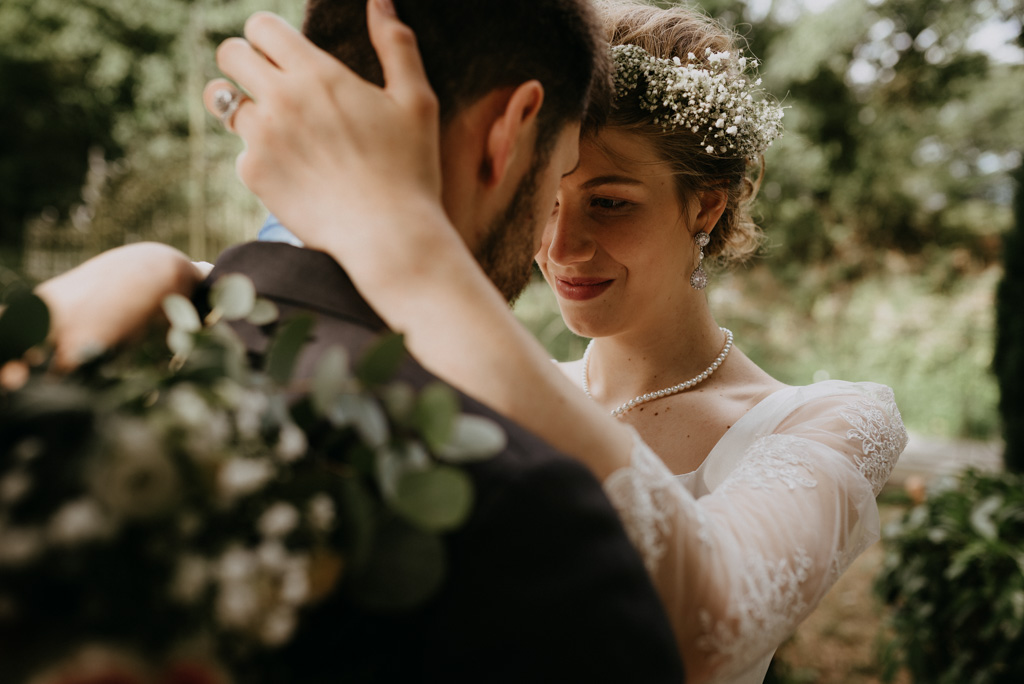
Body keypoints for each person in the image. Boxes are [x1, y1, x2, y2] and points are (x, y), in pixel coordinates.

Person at [200, 2, 908, 683]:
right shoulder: (478, 371)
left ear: (707, 204)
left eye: (610, 203)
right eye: (551, 199)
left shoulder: (830, 421)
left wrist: (405, 243)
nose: (562, 247)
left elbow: (709, 632)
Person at [32, 1, 687, 682]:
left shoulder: (69, 373)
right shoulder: (530, 516)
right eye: (559, 179)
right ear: (511, 129)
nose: (555, 240)